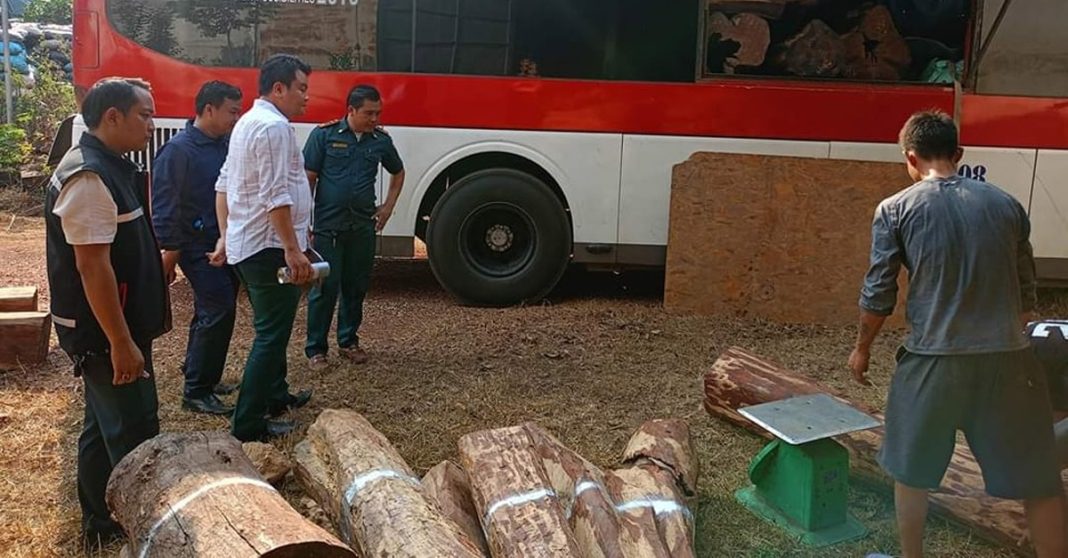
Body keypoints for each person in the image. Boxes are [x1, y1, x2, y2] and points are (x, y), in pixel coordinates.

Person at [849, 110, 1066, 558]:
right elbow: (1027, 295)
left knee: (912, 474)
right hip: (1009, 361)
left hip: (933, 361)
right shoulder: (1007, 204)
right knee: (1041, 481)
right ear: (959, 154)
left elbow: (878, 295)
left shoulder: (895, 209)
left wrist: (861, 350)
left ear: (910, 158)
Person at [45, 77, 169, 547]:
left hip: (118, 329)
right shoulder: (90, 176)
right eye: (145, 115)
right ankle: (146, 532)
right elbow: (92, 267)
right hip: (106, 334)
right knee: (133, 429)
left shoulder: (110, 166)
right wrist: (120, 343)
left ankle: (99, 521)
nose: (152, 125)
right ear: (112, 117)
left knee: (102, 425)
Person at [214, 54, 315, 442]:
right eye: (301, 88)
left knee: (270, 329)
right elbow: (276, 195)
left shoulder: (246, 123)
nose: (306, 97)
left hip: (248, 244)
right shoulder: (273, 128)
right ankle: (249, 424)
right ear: (279, 89)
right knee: (271, 334)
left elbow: (224, 185)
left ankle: (275, 396)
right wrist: (292, 249)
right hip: (268, 248)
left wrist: (226, 235)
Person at [151, 80, 243, 415]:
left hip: (225, 242)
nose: (237, 117)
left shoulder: (225, 144)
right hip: (195, 245)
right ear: (209, 109)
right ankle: (196, 391)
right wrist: (170, 249)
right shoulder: (179, 150)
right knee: (218, 309)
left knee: (214, 308)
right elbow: (163, 203)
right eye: (232, 111)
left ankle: (200, 371)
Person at [303, 84, 405, 369]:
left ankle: (348, 341)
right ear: (351, 110)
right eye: (368, 113)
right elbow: (307, 179)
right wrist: (304, 222)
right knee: (325, 287)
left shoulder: (380, 141)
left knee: (355, 286)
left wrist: (388, 207)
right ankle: (316, 349)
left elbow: (398, 172)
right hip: (328, 227)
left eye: (378, 113)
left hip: (362, 226)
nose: (374, 119)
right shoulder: (323, 136)